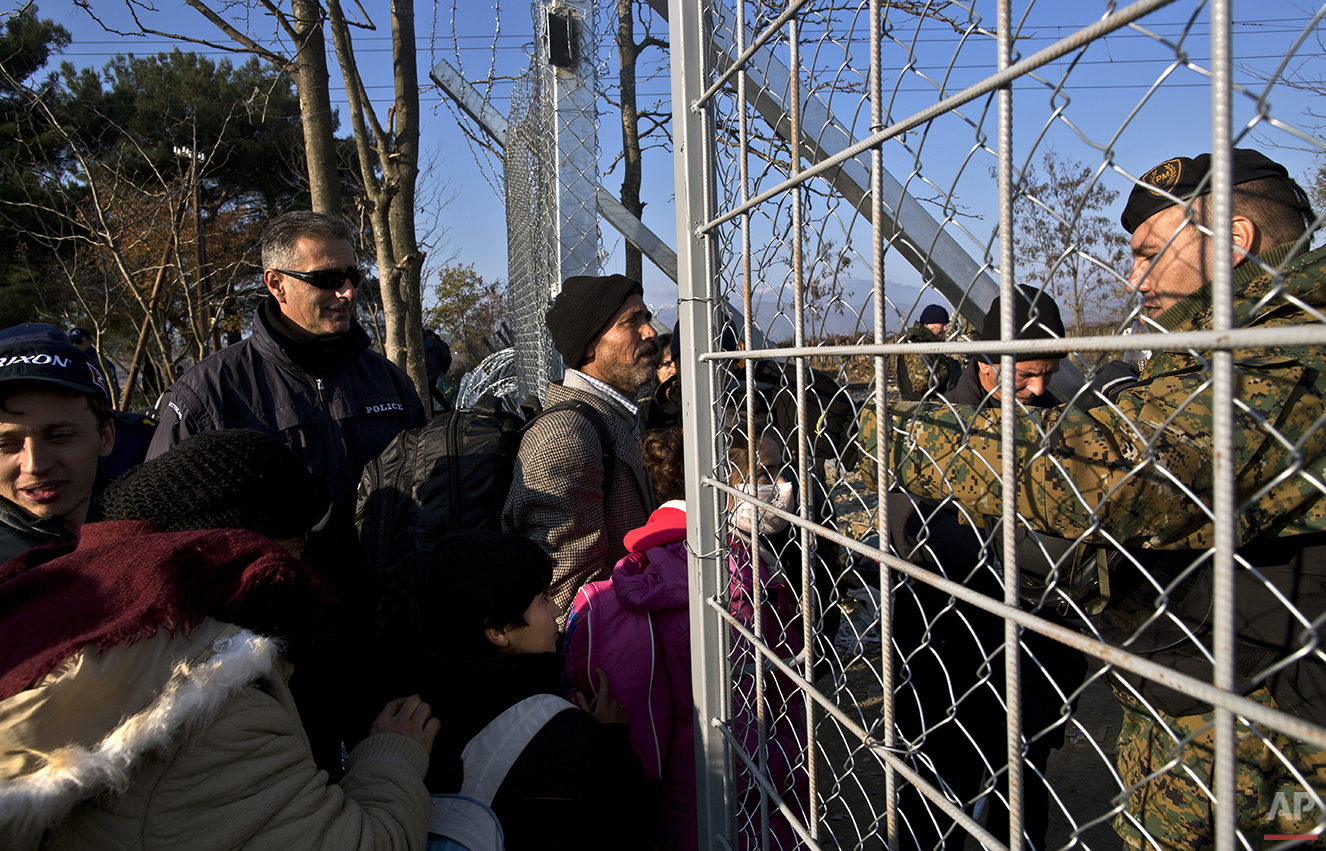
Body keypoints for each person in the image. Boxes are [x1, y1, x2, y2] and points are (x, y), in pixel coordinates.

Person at [887, 148, 1326, 849]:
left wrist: (909, 437)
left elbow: (1120, 481)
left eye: (1151, 254)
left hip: (1255, 746)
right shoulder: (1215, 360)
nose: (1133, 278)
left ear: (1236, 242)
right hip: (1012, 680)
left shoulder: (1287, 361)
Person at [0, 428, 439, 851]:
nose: (308, 555)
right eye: (297, 540)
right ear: (250, 549)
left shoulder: (53, 604)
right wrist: (393, 757)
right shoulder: (214, 700)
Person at [146, 210, 426, 772]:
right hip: (271, 661)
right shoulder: (209, 394)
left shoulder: (388, 381)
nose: (347, 291)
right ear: (276, 282)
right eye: (326, 279)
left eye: (354, 276)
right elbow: (159, 539)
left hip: (383, 643)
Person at [886, 289, 1087, 851]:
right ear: (984, 360)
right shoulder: (933, 429)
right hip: (947, 650)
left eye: (1050, 372)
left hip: (1036, 653)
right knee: (933, 797)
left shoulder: (1073, 430)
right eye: (1025, 373)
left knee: (1021, 799)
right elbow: (912, 533)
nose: (1040, 387)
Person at [376, 528, 653, 851]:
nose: (556, 611)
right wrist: (613, 740)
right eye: (542, 600)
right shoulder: (568, 735)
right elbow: (631, 833)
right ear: (498, 630)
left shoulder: (403, 720)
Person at [503, 274, 658, 623]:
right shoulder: (566, 438)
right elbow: (571, 601)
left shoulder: (615, 418)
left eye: (646, 318)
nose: (649, 332)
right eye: (630, 322)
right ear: (589, 345)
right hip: (606, 664)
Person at [0, 330, 115, 563]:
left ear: (105, 436)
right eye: (5, 445)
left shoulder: (158, 529)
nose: (35, 466)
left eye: (59, 437)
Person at [896, 303, 957, 401]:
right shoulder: (916, 346)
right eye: (942, 324)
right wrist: (947, 369)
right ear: (928, 324)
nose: (945, 329)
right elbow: (922, 383)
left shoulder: (928, 344)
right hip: (920, 406)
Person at [68, 327, 119, 407]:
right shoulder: (70, 360)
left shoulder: (101, 363)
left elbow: (112, 392)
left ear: (89, 342)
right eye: (72, 342)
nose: (74, 345)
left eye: (79, 342)